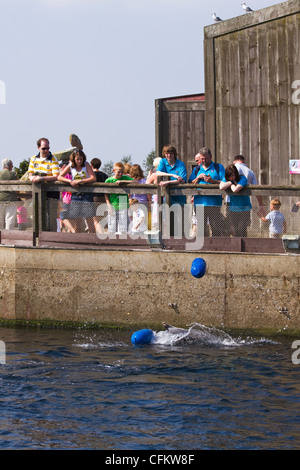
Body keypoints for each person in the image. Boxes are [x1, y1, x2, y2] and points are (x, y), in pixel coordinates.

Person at [188, 147, 225, 237]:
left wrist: (212, 181)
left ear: (211, 157)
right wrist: (197, 178)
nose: (204, 161)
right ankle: (204, 249)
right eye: (202, 159)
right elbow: (189, 183)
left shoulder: (218, 167)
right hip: (199, 203)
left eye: (206, 159)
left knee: (216, 227)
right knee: (201, 229)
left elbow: (225, 181)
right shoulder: (196, 169)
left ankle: (216, 248)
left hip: (214, 203)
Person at [58, 149, 96, 233]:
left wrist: (81, 181)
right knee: (77, 219)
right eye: (77, 159)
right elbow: (60, 177)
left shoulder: (86, 164)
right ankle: (78, 240)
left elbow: (93, 178)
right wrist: (70, 181)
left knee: (89, 218)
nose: (79, 161)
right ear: (74, 159)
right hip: (75, 194)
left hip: (86, 194)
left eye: (81, 159)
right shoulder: (71, 165)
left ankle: (93, 240)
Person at [28, 138, 60, 231]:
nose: (46, 150)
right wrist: (31, 178)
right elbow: (30, 173)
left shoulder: (53, 159)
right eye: (44, 148)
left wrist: (41, 178)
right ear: (38, 148)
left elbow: (56, 176)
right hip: (37, 191)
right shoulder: (33, 159)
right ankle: (39, 234)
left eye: (48, 148)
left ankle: (52, 237)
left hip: (51, 191)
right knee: (38, 213)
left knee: (52, 215)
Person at [156, 145, 187, 236]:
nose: (169, 155)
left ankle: (181, 240)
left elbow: (182, 180)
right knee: (168, 220)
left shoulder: (180, 164)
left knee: (180, 220)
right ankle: (169, 240)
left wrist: (168, 182)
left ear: (174, 154)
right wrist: (172, 176)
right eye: (167, 153)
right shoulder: (163, 162)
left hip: (180, 196)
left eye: (170, 153)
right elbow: (158, 172)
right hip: (167, 197)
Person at [219, 164, 251, 237]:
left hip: (244, 208)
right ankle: (236, 246)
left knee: (242, 228)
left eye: (233, 175)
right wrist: (232, 182)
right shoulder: (228, 180)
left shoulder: (242, 178)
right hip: (233, 208)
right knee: (235, 229)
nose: (232, 177)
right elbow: (221, 187)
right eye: (230, 176)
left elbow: (235, 189)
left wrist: (231, 184)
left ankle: (243, 246)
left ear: (236, 174)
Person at [105, 162, 133, 234]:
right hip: (113, 202)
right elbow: (106, 194)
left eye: (122, 172)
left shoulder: (125, 177)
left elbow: (135, 181)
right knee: (112, 224)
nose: (120, 174)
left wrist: (123, 181)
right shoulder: (109, 180)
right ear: (114, 171)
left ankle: (123, 240)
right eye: (118, 172)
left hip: (123, 201)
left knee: (123, 225)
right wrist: (108, 205)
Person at [90, 158, 108, 234]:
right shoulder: (104, 175)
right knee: (99, 220)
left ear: (91, 165)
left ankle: (101, 236)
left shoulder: (91, 175)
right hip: (104, 199)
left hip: (94, 199)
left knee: (96, 221)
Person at [0, 158, 18, 230]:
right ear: (10, 165)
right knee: (10, 218)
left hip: (0, 198)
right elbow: (18, 185)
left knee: (0, 218)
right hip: (11, 199)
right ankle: (8, 235)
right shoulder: (13, 173)